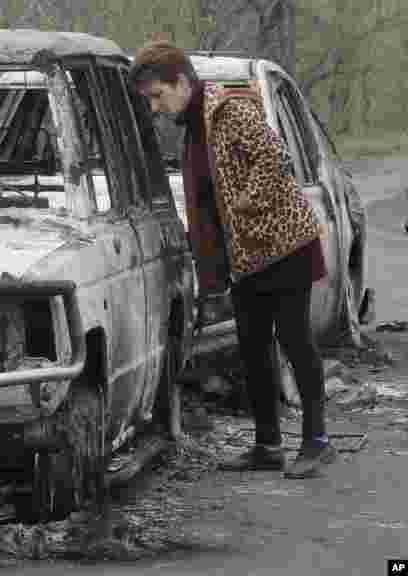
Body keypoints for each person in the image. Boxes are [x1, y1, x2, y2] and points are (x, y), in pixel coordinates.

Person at [128, 41, 336, 479]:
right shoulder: (194, 126)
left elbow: (275, 161)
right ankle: (268, 445)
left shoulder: (230, 111)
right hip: (245, 257)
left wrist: (238, 205)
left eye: (158, 96)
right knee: (253, 348)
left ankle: (317, 442)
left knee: (295, 342)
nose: (157, 107)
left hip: (283, 248)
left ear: (181, 81)